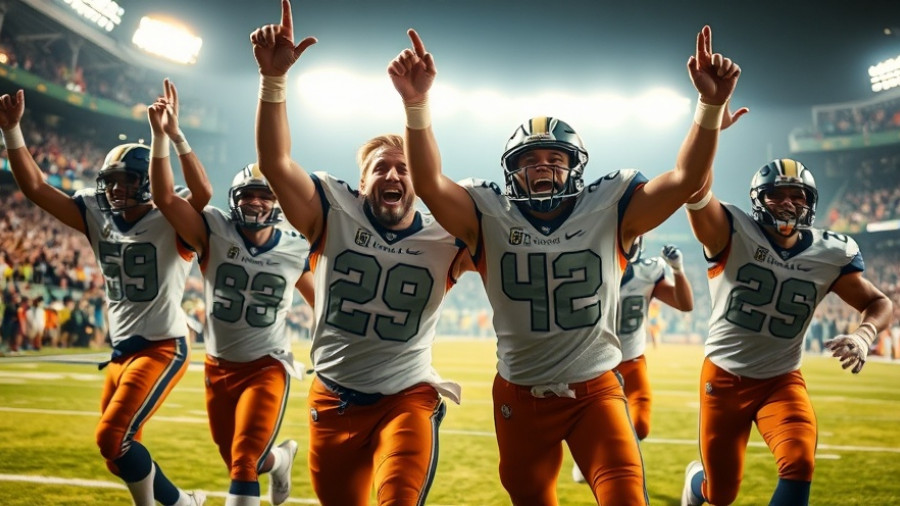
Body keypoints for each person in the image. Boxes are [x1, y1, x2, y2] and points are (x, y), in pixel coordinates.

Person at [389, 25, 743, 504]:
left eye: (556, 158)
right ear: (511, 170)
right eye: (530, 159)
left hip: (595, 390)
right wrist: (416, 104)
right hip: (520, 395)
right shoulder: (487, 212)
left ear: (575, 167)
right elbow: (429, 183)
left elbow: (685, 179)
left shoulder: (609, 205)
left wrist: (709, 106)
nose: (543, 166)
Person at [250, 1, 473, 504]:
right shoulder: (332, 212)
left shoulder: (448, 235)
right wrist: (273, 80)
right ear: (361, 181)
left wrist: (417, 105)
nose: (393, 175)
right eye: (381, 168)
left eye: (404, 168)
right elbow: (275, 161)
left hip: (407, 397)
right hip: (333, 398)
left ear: (420, 181)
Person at [0, 88, 209, 506]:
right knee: (117, 455)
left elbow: (201, 193)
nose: (115, 189)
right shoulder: (97, 213)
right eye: (110, 180)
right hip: (120, 350)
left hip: (162, 346)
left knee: (113, 438)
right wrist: (12, 131)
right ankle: (184, 503)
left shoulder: (170, 215)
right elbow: (37, 188)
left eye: (126, 180)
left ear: (146, 181)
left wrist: (172, 136)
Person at [680, 158, 893, 506]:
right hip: (724, 378)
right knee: (720, 494)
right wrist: (709, 127)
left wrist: (863, 335)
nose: (789, 203)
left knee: (799, 461)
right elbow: (693, 186)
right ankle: (695, 485)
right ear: (758, 199)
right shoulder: (730, 231)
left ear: (811, 203)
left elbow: (878, 302)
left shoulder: (830, 252)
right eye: (777, 195)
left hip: (781, 380)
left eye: (798, 196)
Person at [147, 78, 308, 506]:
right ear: (236, 199)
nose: (255, 204)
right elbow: (164, 197)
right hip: (218, 366)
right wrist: (168, 137)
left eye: (264, 196)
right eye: (248, 196)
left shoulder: (297, 248)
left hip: (267, 365)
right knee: (240, 459)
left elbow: (323, 303)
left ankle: (270, 460)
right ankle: (281, 458)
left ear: (278, 202)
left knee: (243, 460)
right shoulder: (214, 230)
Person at [573, 241, 693, 483]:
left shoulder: (647, 272)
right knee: (590, 422)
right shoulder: (586, 266)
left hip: (632, 361)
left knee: (640, 425)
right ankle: (592, 455)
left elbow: (684, 304)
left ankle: (598, 456)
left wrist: (678, 270)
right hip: (595, 364)